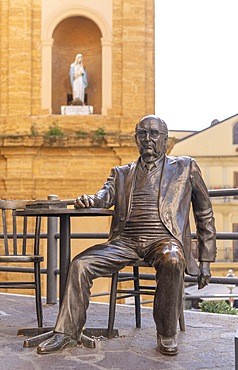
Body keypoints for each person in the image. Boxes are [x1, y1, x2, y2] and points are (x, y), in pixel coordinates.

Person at [37, 115, 216, 356]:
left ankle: (166, 333)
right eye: (142, 134)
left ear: (165, 139)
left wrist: (205, 261)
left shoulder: (185, 167)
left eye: (154, 134)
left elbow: (204, 212)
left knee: (173, 259)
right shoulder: (121, 173)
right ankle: (67, 333)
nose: (148, 139)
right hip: (125, 242)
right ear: (136, 140)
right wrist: (89, 199)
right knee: (80, 264)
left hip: (164, 241)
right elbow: (103, 195)